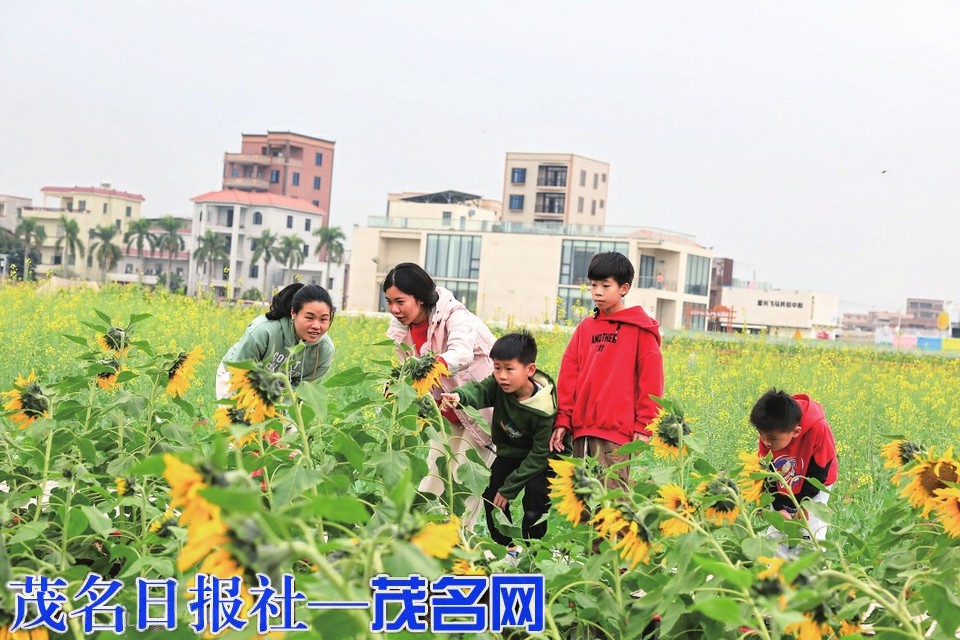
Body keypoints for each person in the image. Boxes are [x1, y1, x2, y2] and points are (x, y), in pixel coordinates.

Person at [439, 331, 568, 559]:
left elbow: (540, 453)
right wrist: (459, 396)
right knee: (491, 493)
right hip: (511, 451)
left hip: (542, 459)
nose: (502, 376)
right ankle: (509, 548)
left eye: (509, 369)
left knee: (535, 501)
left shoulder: (544, 407)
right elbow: (479, 390)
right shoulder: (498, 385)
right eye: (497, 368)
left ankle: (534, 551)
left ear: (530, 370)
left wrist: (510, 489)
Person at [383, 263, 496, 517]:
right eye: (389, 302)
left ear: (420, 298)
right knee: (432, 480)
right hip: (445, 413)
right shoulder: (401, 329)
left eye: (400, 301)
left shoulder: (455, 315)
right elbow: (408, 373)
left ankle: (457, 540)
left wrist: (432, 365)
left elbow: (461, 354)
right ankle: (423, 534)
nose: (394, 309)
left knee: (464, 488)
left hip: (481, 411)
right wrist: (397, 386)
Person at [549, 252, 664, 488]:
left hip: (615, 435)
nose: (597, 292)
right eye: (593, 285)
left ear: (624, 288)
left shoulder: (640, 330)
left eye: (605, 285)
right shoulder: (585, 328)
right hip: (582, 431)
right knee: (581, 501)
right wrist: (563, 420)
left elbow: (651, 381)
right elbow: (569, 375)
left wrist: (645, 425)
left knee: (613, 502)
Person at [216, 283, 335, 399]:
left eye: (323, 319)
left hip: (277, 388)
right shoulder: (263, 331)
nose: (316, 326)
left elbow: (302, 392)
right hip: (234, 376)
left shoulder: (325, 349)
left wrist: (283, 409)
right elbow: (239, 371)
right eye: (309, 317)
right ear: (293, 313)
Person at [749, 388, 838, 542]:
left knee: (810, 530)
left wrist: (801, 504)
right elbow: (767, 471)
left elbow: (819, 472)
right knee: (779, 529)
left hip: (815, 483)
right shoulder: (769, 433)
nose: (765, 442)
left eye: (772, 439)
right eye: (761, 434)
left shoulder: (818, 428)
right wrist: (779, 507)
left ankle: (813, 556)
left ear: (796, 432)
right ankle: (777, 556)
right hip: (781, 480)